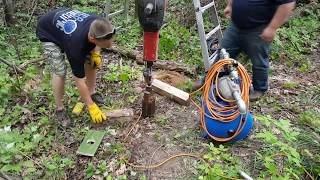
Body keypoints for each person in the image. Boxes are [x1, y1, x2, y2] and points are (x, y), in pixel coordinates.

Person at [36, 8, 116, 126]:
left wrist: (96, 53)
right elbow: (79, 81)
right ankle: (59, 109)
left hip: (70, 26)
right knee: (60, 71)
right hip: (48, 31)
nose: (111, 45)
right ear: (92, 39)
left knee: (91, 60)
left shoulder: (100, 23)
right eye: (106, 44)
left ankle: (91, 93)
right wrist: (91, 107)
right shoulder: (76, 47)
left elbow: (96, 44)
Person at [222, 0, 295, 100]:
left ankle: (259, 89)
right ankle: (217, 80)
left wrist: (272, 28)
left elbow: (287, 4)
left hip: (258, 29)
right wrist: (230, 5)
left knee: (258, 62)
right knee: (224, 54)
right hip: (235, 26)